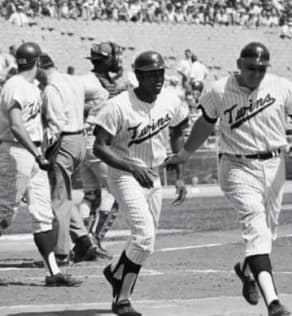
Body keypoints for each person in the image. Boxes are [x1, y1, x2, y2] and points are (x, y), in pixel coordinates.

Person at [166, 42, 292, 316]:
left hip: (274, 164)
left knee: (268, 233)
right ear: (239, 64)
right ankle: (274, 303)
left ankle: (246, 270)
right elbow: (205, 124)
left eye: (262, 68)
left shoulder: (280, 86)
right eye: (251, 67)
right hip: (236, 165)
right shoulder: (220, 90)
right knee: (256, 225)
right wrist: (184, 154)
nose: (256, 73)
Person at [92, 50, 188, 316]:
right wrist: (131, 166)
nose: (157, 79)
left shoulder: (170, 100)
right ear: (138, 76)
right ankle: (121, 299)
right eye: (150, 75)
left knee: (146, 241)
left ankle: (115, 272)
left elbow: (180, 128)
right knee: (144, 238)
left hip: (153, 174)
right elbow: (99, 147)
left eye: (160, 73)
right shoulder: (119, 105)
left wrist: (179, 175)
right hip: (124, 172)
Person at [0, 42, 81, 286]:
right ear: (37, 62)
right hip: (16, 151)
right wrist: (37, 154)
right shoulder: (15, 85)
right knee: (4, 214)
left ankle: (53, 272)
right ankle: (53, 271)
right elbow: (15, 124)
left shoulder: (31, 86)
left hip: (31, 151)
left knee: (43, 215)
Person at [39, 53, 112, 265]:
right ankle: (83, 241)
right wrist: (91, 117)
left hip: (64, 140)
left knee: (59, 199)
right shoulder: (73, 80)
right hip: (80, 138)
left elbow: (55, 125)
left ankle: (61, 253)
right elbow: (102, 94)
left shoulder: (51, 89)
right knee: (65, 195)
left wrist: (43, 151)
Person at [80, 42, 125, 253]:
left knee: (91, 195)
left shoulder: (96, 81)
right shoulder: (91, 83)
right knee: (114, 191)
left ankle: (81, 243)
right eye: (113, 57)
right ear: (106, 59)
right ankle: (95, 241)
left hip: (85, 141)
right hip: (96, 142)